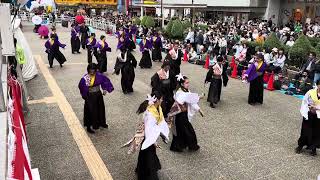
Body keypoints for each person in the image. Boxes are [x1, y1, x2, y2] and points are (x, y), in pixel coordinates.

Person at [123, 92, 169, 180]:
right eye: (161, 99)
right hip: (148, 138)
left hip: (151, 136)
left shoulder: (157, 107)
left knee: (145, 154)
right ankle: (150, 176)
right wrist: (153, 141)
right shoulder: (150, 113)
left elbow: (160, 121)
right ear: (157, 100)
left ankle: (141, 169)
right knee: (149, 156)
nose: (162, 100)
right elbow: (148, 130)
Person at [168, 74, 203, 152]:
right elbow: (183, 100)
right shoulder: (180, 92)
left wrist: (199, 109)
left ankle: (184, 145)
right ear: (182, 84)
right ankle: (189, 145)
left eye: (188, 82)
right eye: (186, 83)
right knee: (187, 130)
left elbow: (192, 101)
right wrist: (198, 97)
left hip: (184, 114)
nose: (188, 84)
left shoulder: (186, 91)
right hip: (180, 114)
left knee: (183, 130)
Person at [78, 63, 114, 133]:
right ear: (88, 70)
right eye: (90, 70)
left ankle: (102, 123)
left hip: (98, 95)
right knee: (90, 111)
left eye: (93, 70)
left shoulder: (99, 75)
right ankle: (89, 126)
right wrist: (85, 94)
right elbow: (81, 86)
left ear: (95, 70)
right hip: (90, 96)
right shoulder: (85, 78)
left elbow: (105, 81)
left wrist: (104, 89)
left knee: (100, 109)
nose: (92, 71)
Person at [296, 80, 320, 156]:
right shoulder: (310, 92)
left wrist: (317, 108)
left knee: (316, 132)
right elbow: (304, 102)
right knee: (305, 130)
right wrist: (309, 107)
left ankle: (313, 148)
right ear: (317, 85)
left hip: (318, 116)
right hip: (309, 114)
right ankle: (300, 145)